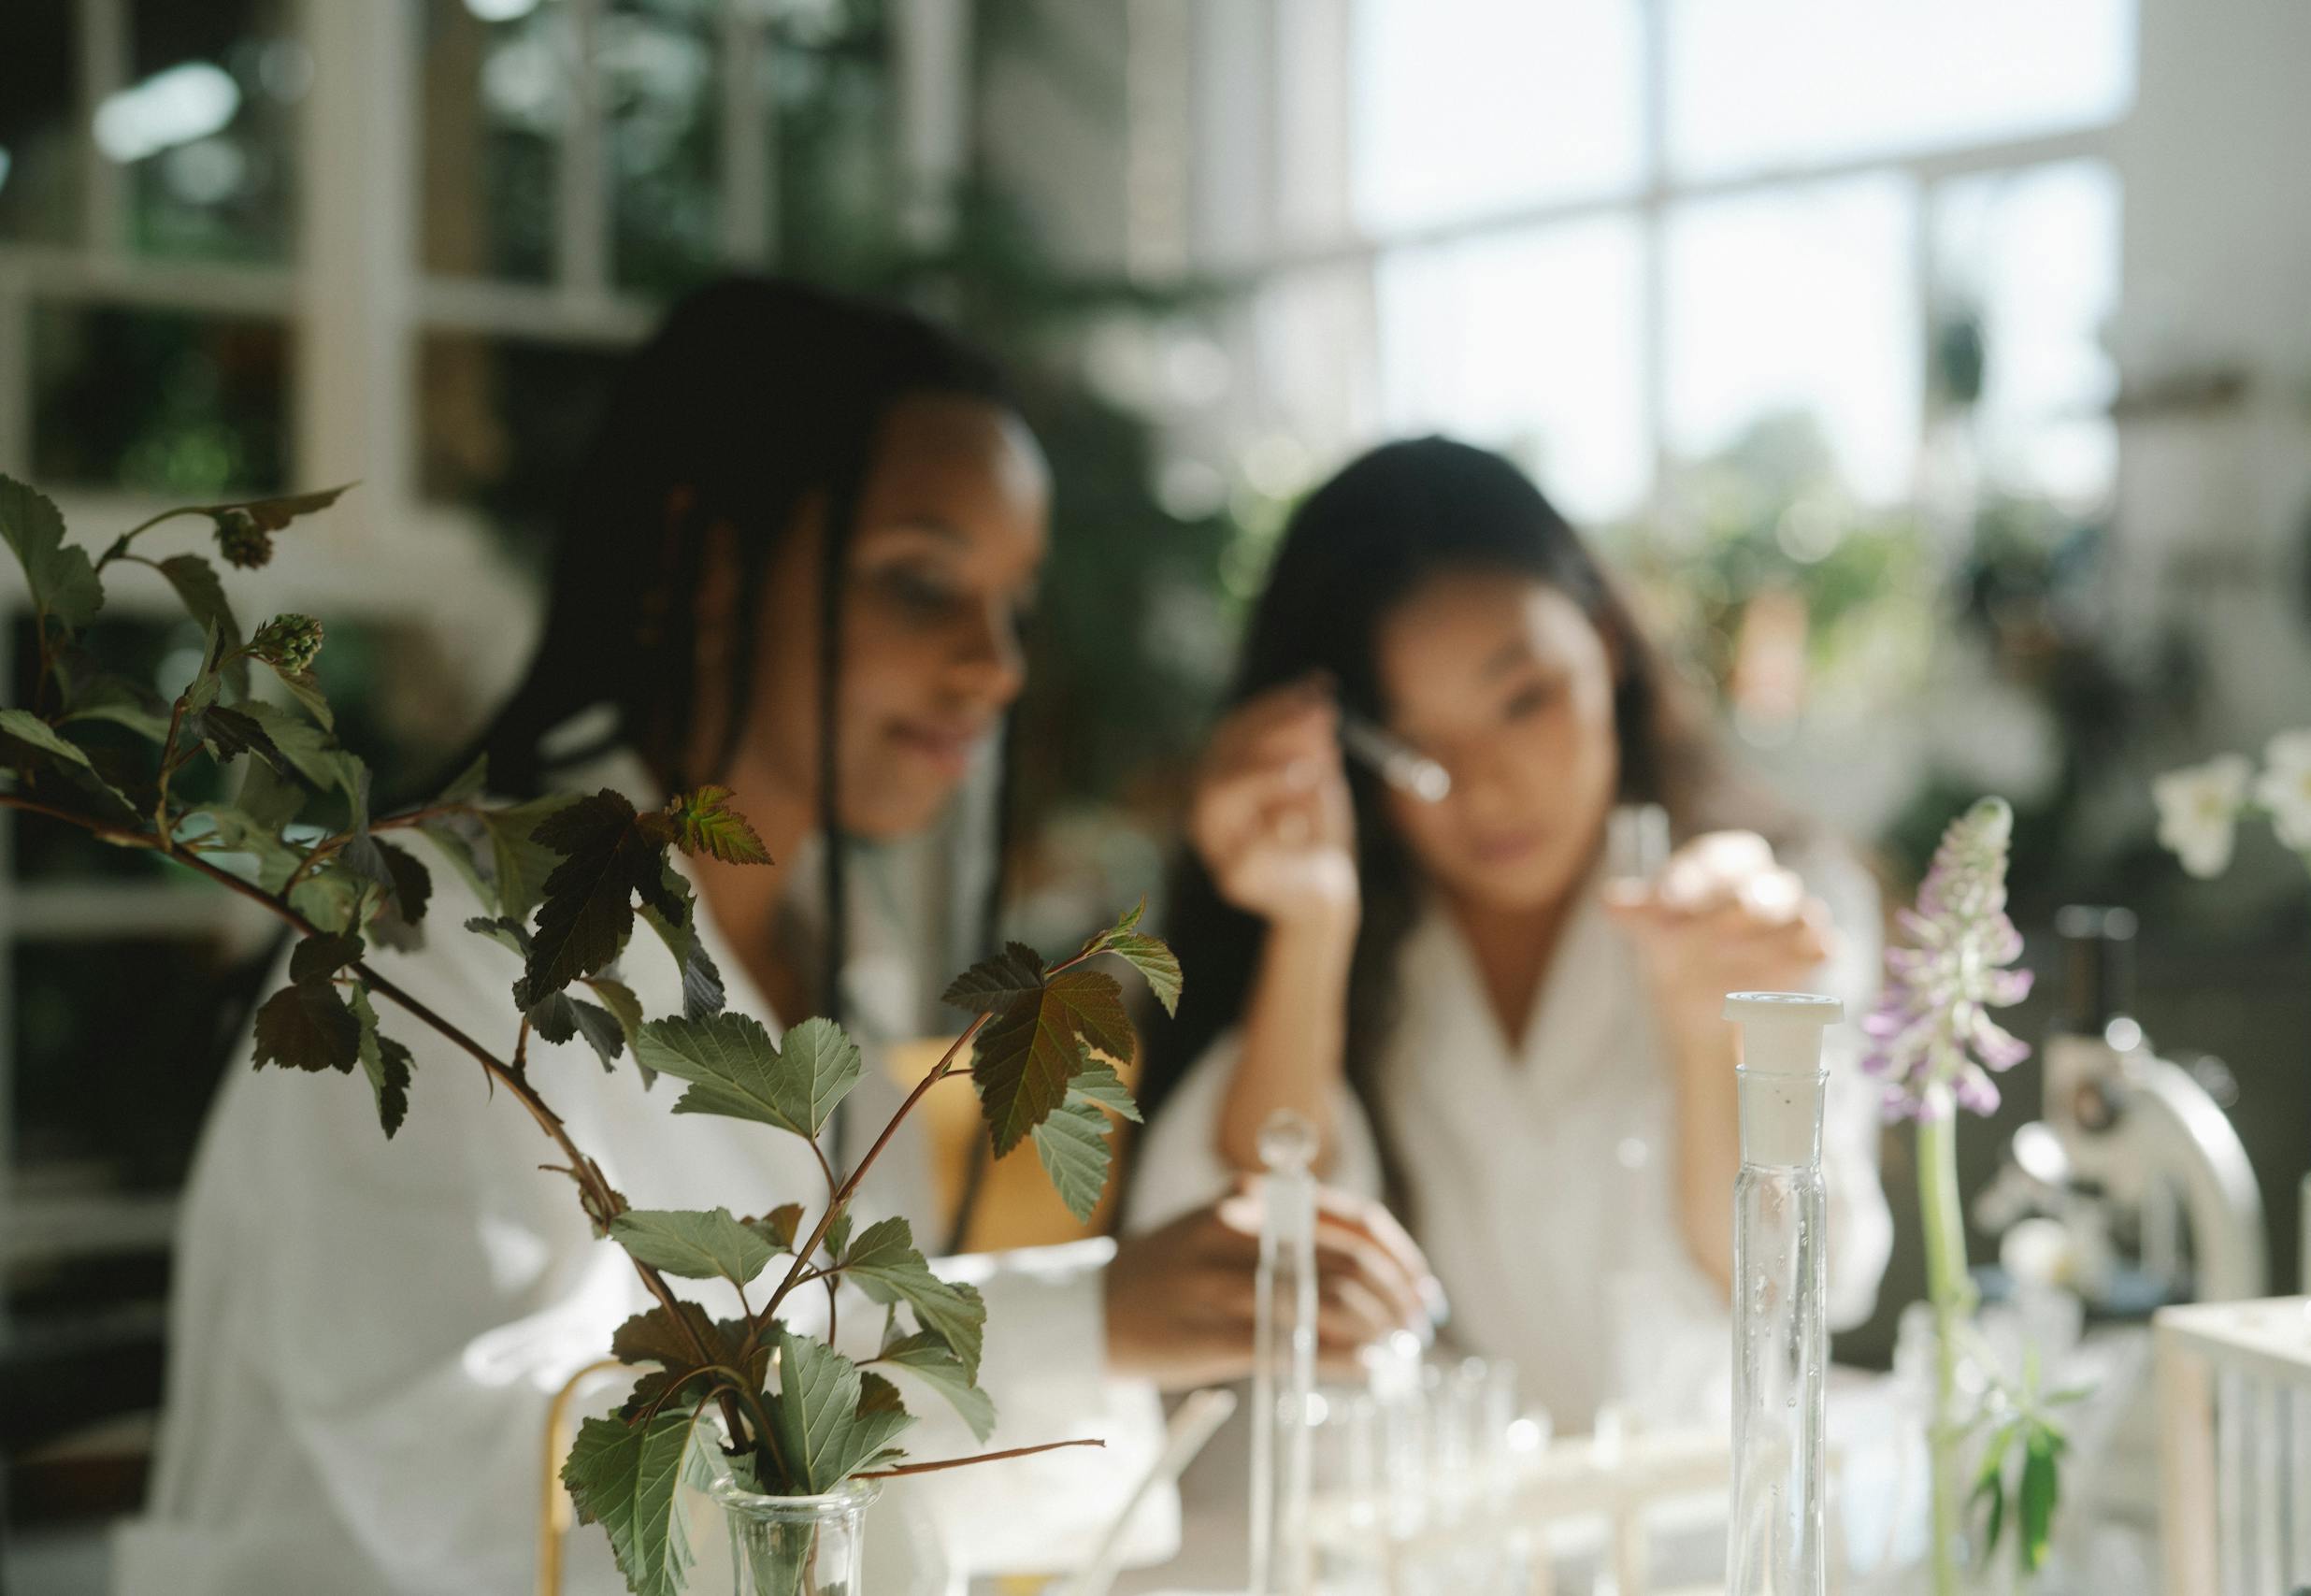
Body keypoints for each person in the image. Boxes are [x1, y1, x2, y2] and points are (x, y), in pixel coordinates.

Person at [120, 281, 1434, 1595]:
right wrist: (1081, 1322)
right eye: (922, 583)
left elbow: (882, 1493)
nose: (994, 665)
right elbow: (477, 1473)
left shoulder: (833, 974)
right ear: (709, 566)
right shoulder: (421, 942)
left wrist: (1116, 1332)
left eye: (1013, 606)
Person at [1126, 437, 1891, 1432]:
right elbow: (1250, 1280)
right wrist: (1310, 930)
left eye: (1524, 701)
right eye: (1414, 746)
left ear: (1606, 644)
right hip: (1414, 1510)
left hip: (1693, 1501)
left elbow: (1788, 1294)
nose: (1486, 789)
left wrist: (1715, 1042)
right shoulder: (1359, 929)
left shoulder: (1767, 903)